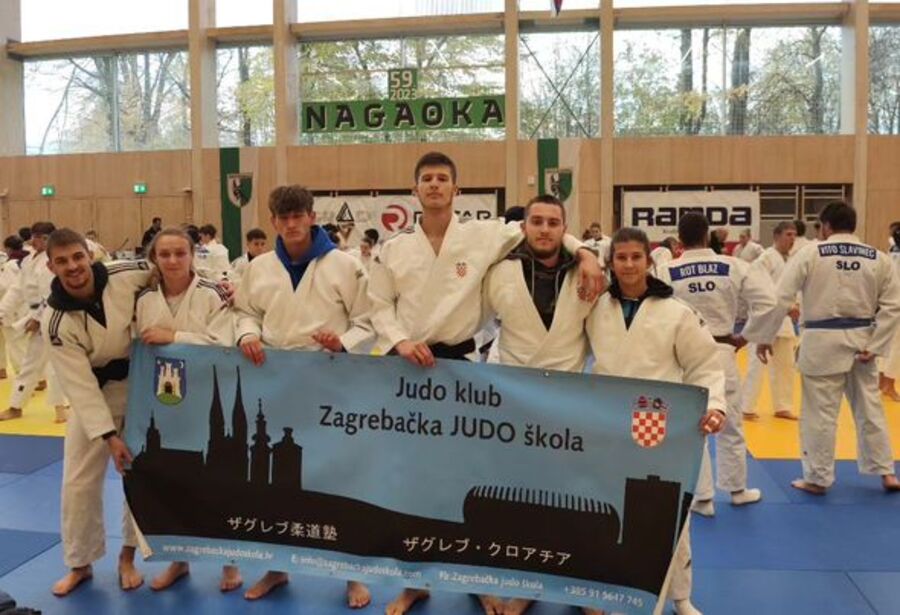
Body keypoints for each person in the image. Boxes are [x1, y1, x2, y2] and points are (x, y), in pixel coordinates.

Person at [369, 152, 603, 615]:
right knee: (413, 479)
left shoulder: (482, 235)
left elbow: (542, 228)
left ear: (456, 190)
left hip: (460, 368)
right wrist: (398, 340)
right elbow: (377, 303)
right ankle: (415, 581)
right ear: (415, 189)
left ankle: (477, 578)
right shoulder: (394, 249)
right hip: (407, 369)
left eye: (443, 179)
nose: (435, 185)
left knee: (469, 479)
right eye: (426, 179)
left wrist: (586, 253)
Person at [235, 185, 374, 607]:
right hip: (275, 380)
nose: (292, 224)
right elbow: (244, 312)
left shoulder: (345, 265)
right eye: (284, 217)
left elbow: (369, 321)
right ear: (274, 221)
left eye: (299, 216)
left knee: (339, 478)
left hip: (331, 381)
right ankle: (277, 566)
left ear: (312, 217)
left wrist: (343, 342)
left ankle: (352, 574)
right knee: (275, 479)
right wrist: (247, 334)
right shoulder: (259, 267)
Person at [587, 227, 726, 615]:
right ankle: (610, 591)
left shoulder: (676, 312)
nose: (629, 264)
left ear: (649, 261)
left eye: (636, 257)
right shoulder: (595, 308)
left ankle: (681, 596)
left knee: (670, 514)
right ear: (611, 263)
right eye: (621, 257)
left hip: (659, 425)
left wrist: (715, 405)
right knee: (609, 511)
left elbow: (704, 364)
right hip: (608, 424)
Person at [479, 194, 593, 615]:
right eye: (537, 221)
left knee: (568, 498)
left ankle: (573, 586)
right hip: (514, 400)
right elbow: (467, 321)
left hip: (567, 402)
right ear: (523, 226)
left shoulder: (586, 272)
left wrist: (586, 254)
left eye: (553, 222)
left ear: (565, 229)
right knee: (509, 497)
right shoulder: (499, 271)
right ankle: (502, 582)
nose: (545, 229)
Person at [41, 229, 152, 596]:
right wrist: (108, 437)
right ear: (51, 267)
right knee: (77, 482)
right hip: (94, 395)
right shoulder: (55, 320)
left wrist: (216, 289)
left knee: (137, 476)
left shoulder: (125, 273)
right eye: (62, 261)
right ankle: (80, 563)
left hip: (138, 386)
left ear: (89, 255)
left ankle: (128, 557)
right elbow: (79, 386)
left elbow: (169, 268)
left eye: (77, 257)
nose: (73, 266)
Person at [763, 201, 900, 494]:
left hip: (821, 342)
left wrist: (764, 335)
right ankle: (886, 472)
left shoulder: (811, 253)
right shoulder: (877, 257)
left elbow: (782, 297)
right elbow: (893, 306)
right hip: (863, 341)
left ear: (825, 226)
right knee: (870, 408)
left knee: (820, 414)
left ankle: (817, 477)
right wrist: (877, 345)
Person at [135, 227, 239, 592]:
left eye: (180, 253)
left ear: (193, 255)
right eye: (164, 254)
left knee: (219, 482)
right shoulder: (145, 299)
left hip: (209, 397)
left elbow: (224, 344)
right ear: (154, 258)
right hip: (165, 402)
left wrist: (174, 338)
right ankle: (178, 559)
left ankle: (230, 562)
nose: (173, 260)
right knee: (172, 484)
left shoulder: (212, 293)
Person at [657, 212, 779, 514]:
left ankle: (702, 497)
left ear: (679, 239)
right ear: (706, 235)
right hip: (723, 349)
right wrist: (747, 336)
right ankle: (737, 489)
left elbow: (655, 311)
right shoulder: (734, 266)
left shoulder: (667, 270)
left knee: (692, 426)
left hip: (683, 355)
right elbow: (769, 303)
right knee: (730, 421)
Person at [0, 222, 69, 423]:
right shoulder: (29, 260)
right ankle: (16, 406)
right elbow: (16, 289)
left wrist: (38, 319)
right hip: (35, 313)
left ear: (48, 238)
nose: (34, 241)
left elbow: (52, 294)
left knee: (56, 365)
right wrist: (2, 311)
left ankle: (60, 409)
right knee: (31, 363)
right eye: (34, 236)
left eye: (39, 237)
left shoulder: (53, 261)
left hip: (54, 316)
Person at [741, 221, 800, 421]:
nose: (792, 239)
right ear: (776, 236)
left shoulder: (793, 260)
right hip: (764, 318)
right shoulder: (765, 259)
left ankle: (783, 406)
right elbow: (760, 288)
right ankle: (746, 407)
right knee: (756, 366)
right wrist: (786, 306)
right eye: (788, 234)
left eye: (794, 235)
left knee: (786, 364)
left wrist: (795, 304)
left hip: (784, 320)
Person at [0, 236, 30, 378]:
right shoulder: (29, 260)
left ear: (8, 248)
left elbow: (5, 287)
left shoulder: (10, 265)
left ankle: (28, 377)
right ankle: (1, 369)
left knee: (16, 345)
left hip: (10, 310)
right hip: (25, 307)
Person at [879, 221, 900, 400]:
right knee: (896, 347)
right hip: (897, 304)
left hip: (887, 303)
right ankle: (889, 385)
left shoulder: (890, 253)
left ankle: (882, 383)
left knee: (886, 343)